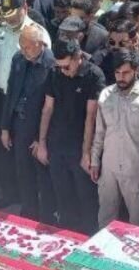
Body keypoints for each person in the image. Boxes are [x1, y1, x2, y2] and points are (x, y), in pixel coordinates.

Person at [35, 39, 104, 234]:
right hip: (57, 143)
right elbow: (47, 109)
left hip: (79, 144)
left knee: (85, 196)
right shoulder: (55, 72)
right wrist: (42, 143)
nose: (64, 70)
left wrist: (86, 153)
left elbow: (91, 116)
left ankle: (88, 236)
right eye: (60, 67)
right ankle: (66, 235)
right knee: (62, 195)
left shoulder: (93, 75)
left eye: (67, 66)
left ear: (78, 57)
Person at [90, 49, 139, 228]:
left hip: (135, 167)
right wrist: (94, 161)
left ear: (135, 71)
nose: (121, 77)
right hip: (109, 166)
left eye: (125, 73)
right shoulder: (105, 95)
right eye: (117, 73)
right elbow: (99, 131)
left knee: (137, 220)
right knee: (106, 214)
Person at [1, 26, 56, 223]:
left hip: (39, 127)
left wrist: (40, 139)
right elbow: (11, 92)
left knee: (43, 177)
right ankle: (28, 212)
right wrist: (5, 127)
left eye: (28, 48)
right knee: (22, 171)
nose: (24, 52)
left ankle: (47, 217)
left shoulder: (51, 65)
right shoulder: (19, 59)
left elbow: (51, 107)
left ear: (40, 44)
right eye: (22, 47)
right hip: (19, 122)